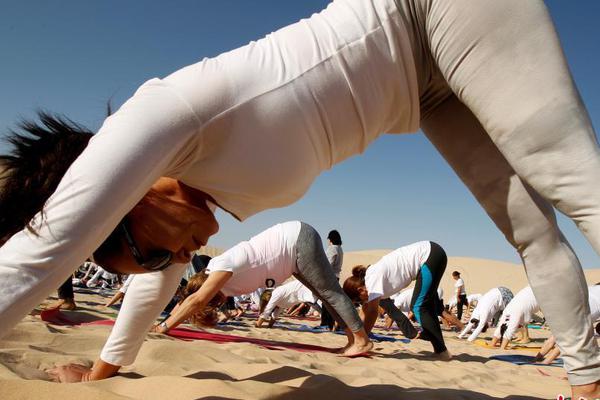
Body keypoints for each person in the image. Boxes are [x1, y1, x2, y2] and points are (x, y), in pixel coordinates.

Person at [1, 0, 599, 395]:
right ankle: (588, 382)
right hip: (425, 95)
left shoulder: (161, 115)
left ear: (122, 203)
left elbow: (40, 253)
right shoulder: (191, 190)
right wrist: (102, 373)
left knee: (574, 182)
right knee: (529, 231)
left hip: (427, 11)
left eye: (158, 253)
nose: (180, 259)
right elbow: (148, 291)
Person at [343, 241, 451, 359]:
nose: (362, 303)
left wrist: (363, 341)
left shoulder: (371, 278)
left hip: (429, 255)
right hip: (433, 253)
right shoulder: (370, 279)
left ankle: (441, 351)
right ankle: (441, 350)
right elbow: (365, 310)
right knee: (426, 307)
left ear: (360, 290)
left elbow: (372, 311)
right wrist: (355, 340)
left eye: (359, 301)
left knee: (418, 307)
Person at [535, 285, 600, 365]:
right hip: (582, 312)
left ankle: (539, 358)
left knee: (557, 336)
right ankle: (545, 361)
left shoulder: (594, 287)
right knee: (565, 339)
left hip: (572, 306)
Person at [320, 229, 343, 330]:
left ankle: (325, 324)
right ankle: (330, 324)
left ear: (330, 239)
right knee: (332, 302)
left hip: (329, 276)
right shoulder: (340, 249)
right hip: (336, 277)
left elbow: (328, 264)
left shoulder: (332, 248)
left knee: (326, 301)